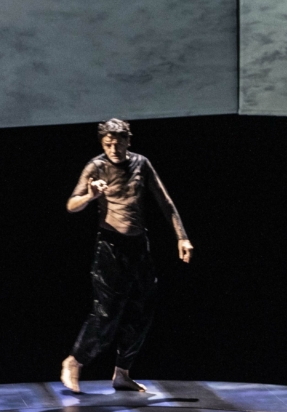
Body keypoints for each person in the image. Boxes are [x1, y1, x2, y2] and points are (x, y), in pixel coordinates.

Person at [61, 118, 194, 394]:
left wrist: (182, 237)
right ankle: (74, 361)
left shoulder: (141, 164)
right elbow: (71, 205)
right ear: (102, 144)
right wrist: (90, 196)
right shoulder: (96, 166)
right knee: (106, 313)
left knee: (142, 311)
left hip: (138, 246)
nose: (114, 149)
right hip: (110, 247)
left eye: (118, 143)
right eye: (108, 144)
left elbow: (165, 202)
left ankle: (122, 373)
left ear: (128, 141)